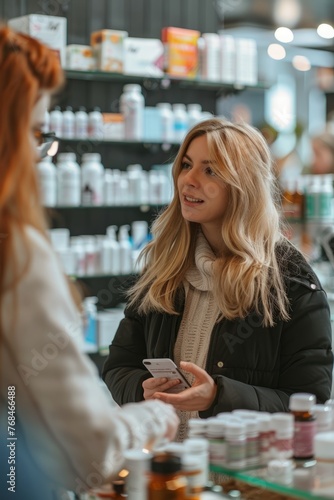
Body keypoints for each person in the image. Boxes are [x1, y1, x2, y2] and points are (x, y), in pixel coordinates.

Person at [0, 25, 179, 500]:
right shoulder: (16, 254)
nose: (40, 157)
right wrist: (162, 415)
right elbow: (90, 445)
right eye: (36, 134)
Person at [103, 118, 333, 441]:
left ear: (243, 186)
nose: (189, 180)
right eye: (186, 165)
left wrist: (218, 398)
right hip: (168, 475)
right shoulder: (166, 267)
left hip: (242, 486)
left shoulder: (290, 284)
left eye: (210, 171)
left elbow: (310, 405)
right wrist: (141, 389)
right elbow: (118, 366)